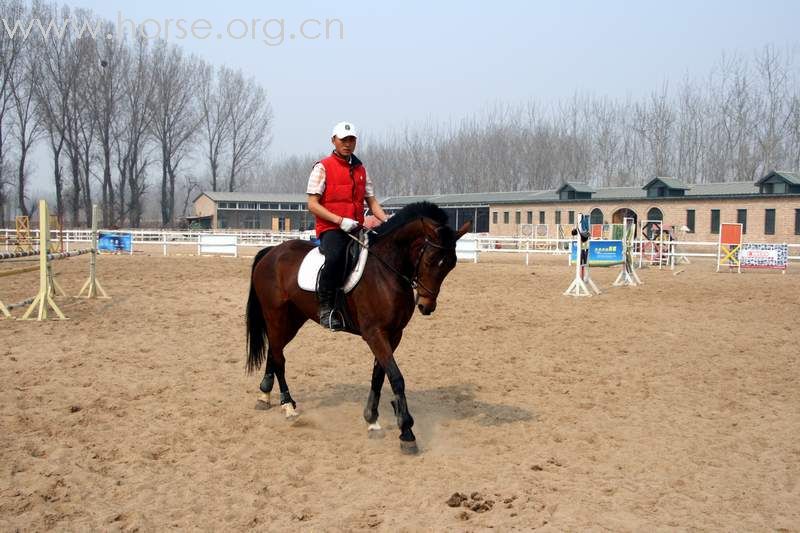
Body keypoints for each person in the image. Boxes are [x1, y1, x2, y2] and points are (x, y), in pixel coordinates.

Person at [307, 121, 389, 331]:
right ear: (333, 141)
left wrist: (387, 221)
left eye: (351, 139)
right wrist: (339, 220)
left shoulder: (361, 169)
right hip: (331, 229)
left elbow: (371, 201)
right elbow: (312, 204)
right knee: (335, 257)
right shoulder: (322, 167)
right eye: (343, 140)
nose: (347, 144)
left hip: (356, 228)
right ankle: (325, 308)